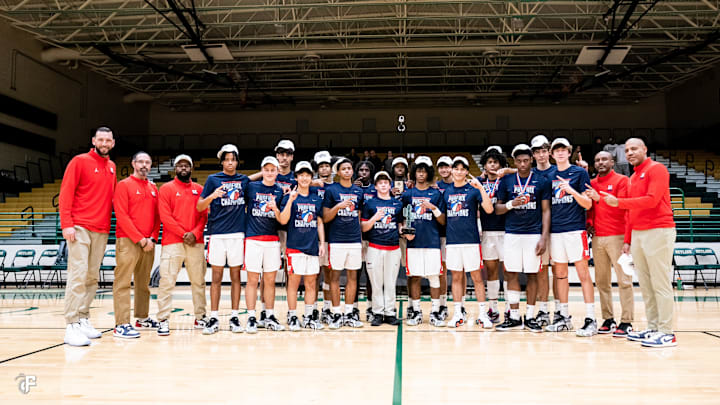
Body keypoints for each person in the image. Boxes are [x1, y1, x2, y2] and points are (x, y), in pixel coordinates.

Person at [600, 138, 677, 348]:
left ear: (644, 149)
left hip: (659, 230)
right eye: (627, 150)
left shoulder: (657, 169)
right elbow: (632, 213)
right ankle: (653, 328)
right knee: (646, 283)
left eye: (634, 149)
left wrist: (619, 202)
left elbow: (652, 199)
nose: (630, 153)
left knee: (660, 283)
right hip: (639, 234)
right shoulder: (633, 177)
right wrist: (627, 240)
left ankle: (667, 332)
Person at [60, 126, 117, 346]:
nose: (104, 143)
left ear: (113, 143)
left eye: (108, 140)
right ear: (94, 140)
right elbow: (66, 193)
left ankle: (83, 318)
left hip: (101, 229)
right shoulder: (79, 161)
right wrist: (67, 224)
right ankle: (71, 325)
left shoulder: (112, 167)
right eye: (100, 139)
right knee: (78, 274)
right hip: (80, 227)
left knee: (92, 277)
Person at [494, 144, 551, 332]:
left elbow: (546, 210)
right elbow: (497, 209)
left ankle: (531, 316)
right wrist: (512, 204)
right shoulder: (507, 181)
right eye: (518, 161)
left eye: (526, 160)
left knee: (532, 274)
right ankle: (515, 316)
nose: (522, 164)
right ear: (514, 161)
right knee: (511, 272)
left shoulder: (541, 181)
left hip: (533, 233)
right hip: (512, 233)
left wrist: (543, 237)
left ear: (531, 160)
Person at [545, 138, 597, 337]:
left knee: (583, 274)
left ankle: (591, 318)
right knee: (560, 275)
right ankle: (564, 317)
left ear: (569, 152)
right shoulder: (549, 175)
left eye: (563, 150)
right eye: (556, 150)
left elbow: (588, 204)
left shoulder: (579, 172)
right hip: (556, 232)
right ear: (552, 154)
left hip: (575, 230)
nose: (559, 153)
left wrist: (572, 190)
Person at [196, 144, 249, 335]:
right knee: (216, 277)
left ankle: (234, 316)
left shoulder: (243, 180)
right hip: (217, 234)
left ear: (237, 161)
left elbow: (256, 180)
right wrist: (212, 195)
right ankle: (214, 316)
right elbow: (200, 206)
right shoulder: (212, 179)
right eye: (226, 159)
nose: (230, 163)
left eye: (233, 159)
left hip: (237, 234)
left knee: (236, 277)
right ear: (221, 162)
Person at [156, 155, 209, 336]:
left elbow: (204, 216)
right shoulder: (166, 189)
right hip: (173, 242)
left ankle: (200, 316)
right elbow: (165, 216)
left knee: (198, 282)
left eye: (187, 165)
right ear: (175, 168)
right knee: (166, 282)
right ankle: (163, 319)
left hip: (196, 242)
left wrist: (194, 233)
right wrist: (183, 234)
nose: (184, 168)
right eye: (180, 165)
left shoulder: (200, 189)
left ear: (192, 169)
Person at [584, 151, 634, 337]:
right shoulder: (592, 183)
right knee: (602, 281)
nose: (600, 162)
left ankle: (627, 321)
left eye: (604, 159)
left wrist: (628, 240)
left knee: (624, 281)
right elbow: (590, 210)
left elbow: (623, 206)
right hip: (598, 238)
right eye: (597, 160)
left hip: (619, 237)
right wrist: (589, 224)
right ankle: (608, 319)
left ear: (612, 162)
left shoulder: (622, 181)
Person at [112, 151, 160, 339]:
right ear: (133, 164)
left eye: (147, 162)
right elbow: (121, 215)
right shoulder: (124, 185)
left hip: (149, 242)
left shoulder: (153, 188)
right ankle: (121, 324)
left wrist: (153, 238)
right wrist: (140, 239)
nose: (144, 165)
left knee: (143, 283)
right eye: (140, 161)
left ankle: (142, 317)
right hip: (129, 241)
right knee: (123, 282)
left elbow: (158, 216)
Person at [443, 156, 494, 328]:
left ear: (466, 171)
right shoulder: (447, 191)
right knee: (456, 277)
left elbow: (489, 208)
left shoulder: (473, 190)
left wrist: (481, 188)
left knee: (477, 278)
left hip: (471, 241)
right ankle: (458, 314)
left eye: (462, 169)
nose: (458, 171)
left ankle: (482, 314)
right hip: (452, 242)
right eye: (455, 168)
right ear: (452, 170)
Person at [278, 161, 326, 330]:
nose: (304, 178)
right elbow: (283, 220)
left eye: (308, 175)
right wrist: (291, 200)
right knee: (294, 282)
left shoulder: (316, 198)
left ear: (311, 178)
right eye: (301, 175)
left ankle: (308, 316)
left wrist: (322, 243)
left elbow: (319, 222)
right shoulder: (289, 196)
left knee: (311, 282)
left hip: (312, 246)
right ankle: (292, 315)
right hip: (294, 247)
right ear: (296, 177)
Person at [243, 156, 285, 333]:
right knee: (252, 280)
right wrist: (259, 174)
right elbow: (243, 179)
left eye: (272, 170)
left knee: (269, 281)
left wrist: (275, 208)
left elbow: (282, 218)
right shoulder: (252, 187)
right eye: (266, 170)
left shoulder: (280, 191)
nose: (269, 173)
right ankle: (251, 317)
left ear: (277, 171)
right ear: (262, 171)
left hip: (272, 240)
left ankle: (269, 315)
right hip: (253, 239)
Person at [403, 156, 446, 327]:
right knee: (414, 277)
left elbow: (443, 221)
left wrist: (433, 208)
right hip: (413, 243)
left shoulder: (436, 194)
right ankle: (416, 311)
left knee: (434, 277)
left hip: (432, 241)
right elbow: (403, 218)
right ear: (414, 173)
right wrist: (405, 233)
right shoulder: (408, 194)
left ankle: (435, 311)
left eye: (424, 170)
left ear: (428, 172)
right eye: (418, 170)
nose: (421, 173)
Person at [323, 157, 365, 329]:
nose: (347, 171)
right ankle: (335, 313)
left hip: (354, 240)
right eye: (344, 169)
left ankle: (349, 313)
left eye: (349, 168)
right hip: (337, 240)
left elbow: (360, 216)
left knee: (352, 277)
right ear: (338, 172)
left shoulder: (358, 191)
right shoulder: (331, 190)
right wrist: (338, 206)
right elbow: (325, 217)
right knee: (334, 277)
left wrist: (360, 239)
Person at [362, 171, 403, 326]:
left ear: (390, 184)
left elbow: (400, 225)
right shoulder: (370, 204)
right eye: (380, 182)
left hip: (393, 247)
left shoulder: (397, 204)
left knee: (390, 281)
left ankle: (390, 312)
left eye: (386, 182)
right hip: (374, 247)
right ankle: (378, 312)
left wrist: (404, 231)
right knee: (376, 282)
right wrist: (375, 218)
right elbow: (364, 227)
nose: (383, 185)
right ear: (376, 186)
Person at [477, 147, 508, 324]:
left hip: (506, 231)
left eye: (496, 162)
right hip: (487, 231)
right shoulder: (479, 183)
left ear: (501, 164)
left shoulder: (506, 182)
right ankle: (493, 309)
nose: (493, 165)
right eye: (490, 162)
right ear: (485, 165)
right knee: (491, 271)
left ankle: (512, 310)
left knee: (509, 271)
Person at [314, 151, 335, 324]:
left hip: (331, 234)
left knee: (329, 273)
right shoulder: (311, 185)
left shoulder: (335, 187)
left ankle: (327, 308)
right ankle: (312, 308)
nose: (324, 168)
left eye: (327, 165)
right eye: (321, 166)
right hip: (312, 235)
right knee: (313, 275)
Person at [354, 160, 377, 321]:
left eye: (366, 170)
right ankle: (354, 308)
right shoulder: (352, 189)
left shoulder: (376, 189)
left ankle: (370, 307)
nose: (363, 173)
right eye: (361, 170)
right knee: (355, 275)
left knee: (371, 276)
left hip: (372, 238)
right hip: (355, 238)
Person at [435, 155, 454, 320]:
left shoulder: (460, 184)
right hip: (438, 233)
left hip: (455, 233)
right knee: (442, 271)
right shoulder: (436, 186)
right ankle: (442, 304)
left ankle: (457, 306)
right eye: (441, 167)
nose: (444, 170)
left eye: (447, 166)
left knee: (455, 271)